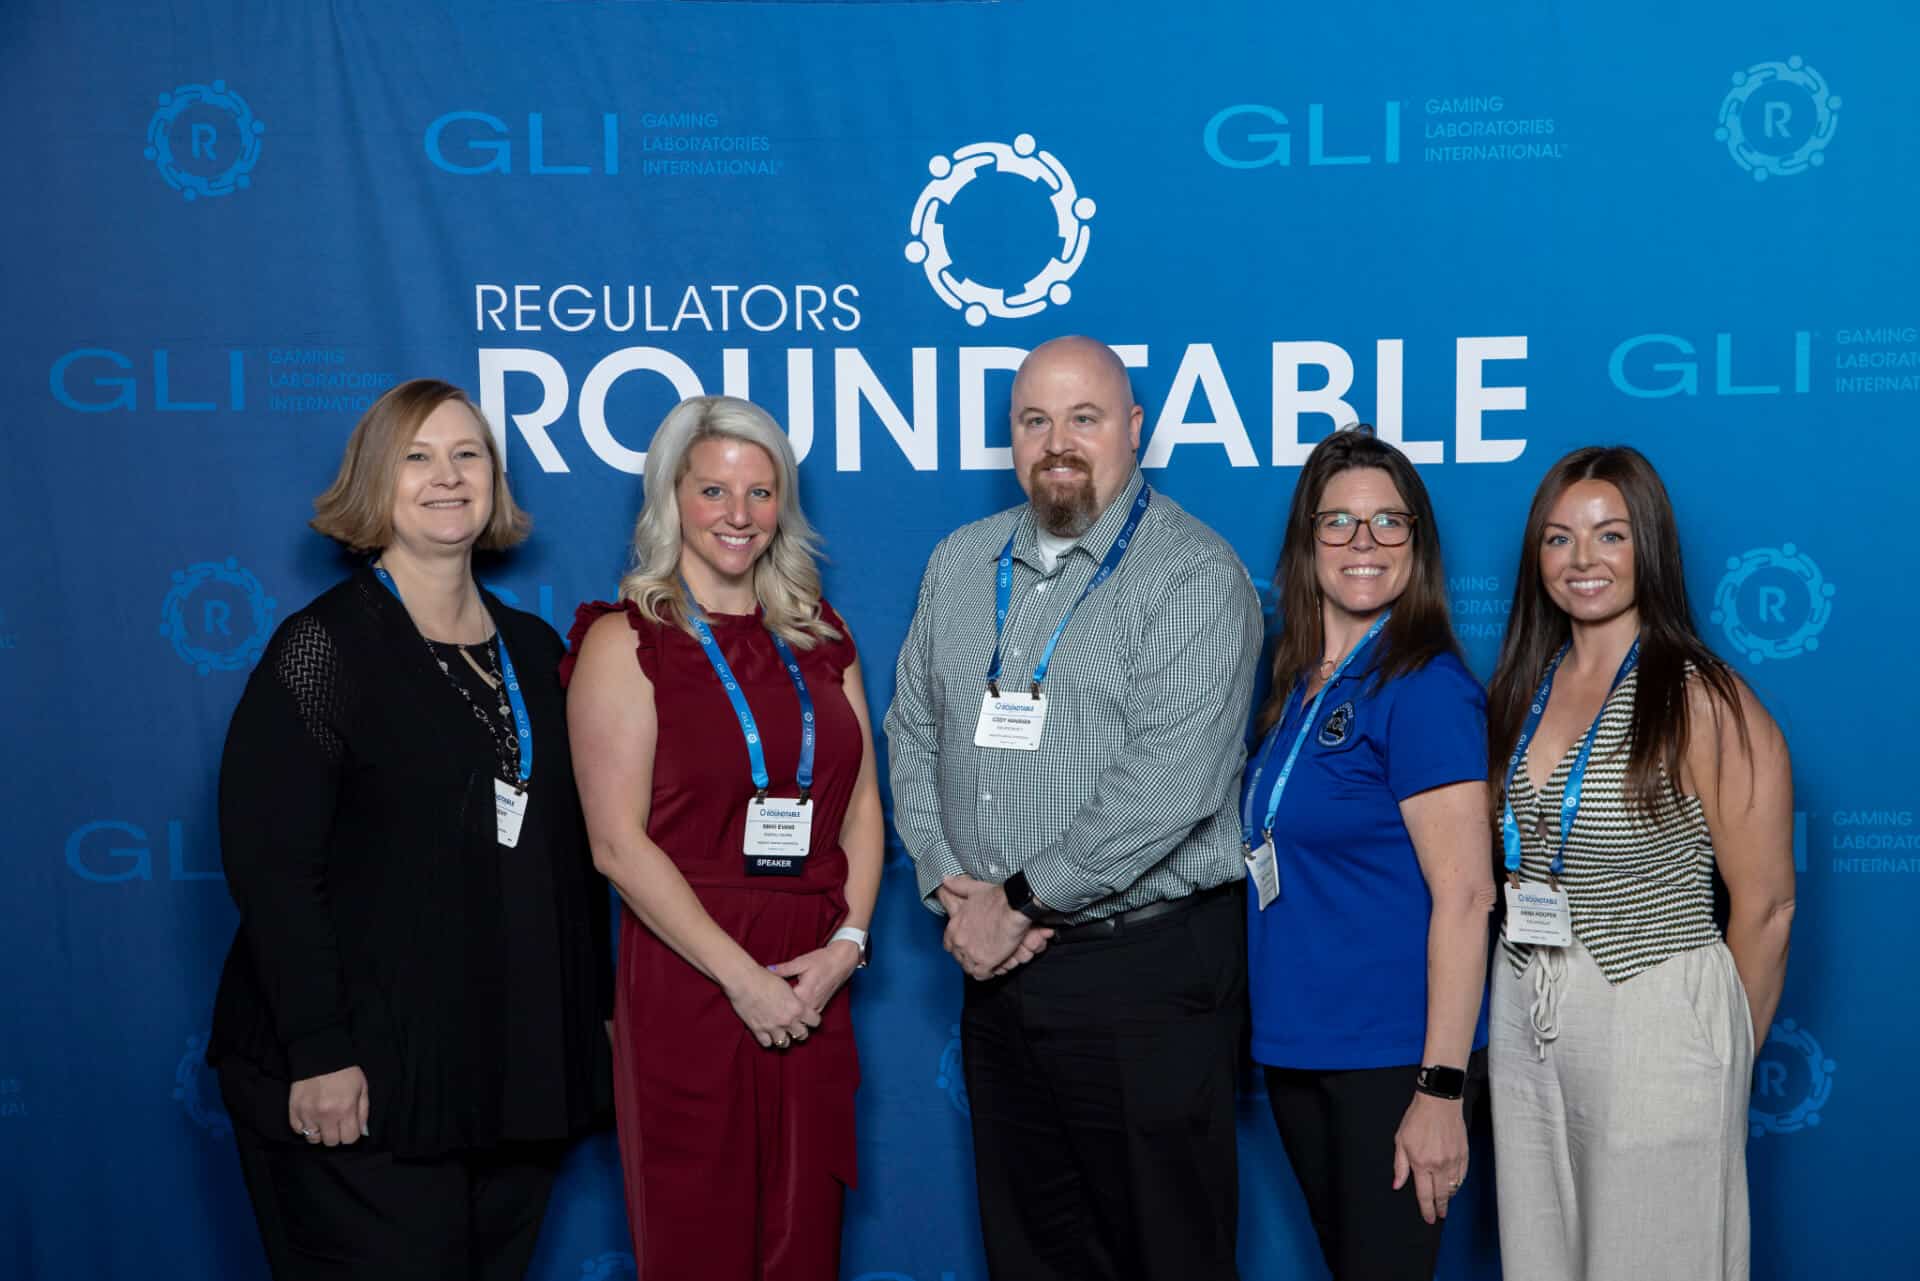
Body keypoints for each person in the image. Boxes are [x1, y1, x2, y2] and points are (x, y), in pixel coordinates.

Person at [207, 379, 612, 1280]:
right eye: (417, 457)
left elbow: (570, 863)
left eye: (468, 454)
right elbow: (273, 864)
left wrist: (599, 1019)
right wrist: (319, 1049)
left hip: (510, 1080)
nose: (447, 477)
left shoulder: (538, 649)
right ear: (374, 482)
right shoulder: (324, 649)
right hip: (361, 1082)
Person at [885, 335, 1262, 1281]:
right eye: (1034, 420)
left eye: (1084, 417)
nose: (1058, 441)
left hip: (1144, 976)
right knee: (1032, 1252)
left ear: (1135, 429)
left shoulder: (1193, 573)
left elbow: (1169, 785)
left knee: (1167, 1251)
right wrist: (949, 886)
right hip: (996, 976)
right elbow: (912, 733)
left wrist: (1015, 901)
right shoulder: (960, 564)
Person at [562, 395, 882, 1281]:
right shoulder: (626, 641)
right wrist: (742, 981)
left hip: (810, 971)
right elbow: (617, 845)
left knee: (802, 1238)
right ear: (672, 498)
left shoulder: (823, 635)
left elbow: (859, 807)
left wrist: (845, 948)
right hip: (691, 968)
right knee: (695, 1233)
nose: (738, 515)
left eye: (760, 492)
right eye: (713, 490)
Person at [1486, 445, 1795, 1281]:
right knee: (1542, 1258)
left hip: (1652, 1004)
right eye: (1559, 539)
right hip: (1525, 1002)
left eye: (1609, 535)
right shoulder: (1526, 683)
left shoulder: (1700, 695)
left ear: (1648, 547)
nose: (1582, 560)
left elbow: (1766, 907)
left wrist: (1716, 1055)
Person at [1242, 425, 1495, 1279]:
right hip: (1301, 1046)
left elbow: (1467, 896)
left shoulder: (1423, 684)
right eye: (1339, 522)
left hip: (1390, 1059)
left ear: (1416, 543)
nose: (1363, 543)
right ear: (1307, 542)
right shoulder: (1297, 681)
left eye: (1389, 522)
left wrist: (1441, 1087)